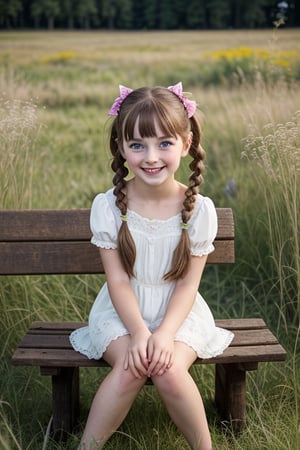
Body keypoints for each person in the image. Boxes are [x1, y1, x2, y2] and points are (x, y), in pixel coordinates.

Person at [70, 82, 234, 450]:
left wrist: (163, 334)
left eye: (164, 143)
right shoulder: (110, 207)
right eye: (137, 145)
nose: (151, 156)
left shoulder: (198, 210)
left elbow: (188, 286)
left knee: (170, 371)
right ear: (121, 147)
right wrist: (141, 334)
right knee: (131, 368)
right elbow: (118, 280)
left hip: (180, 311)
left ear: (186, 144)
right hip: (121, 312)